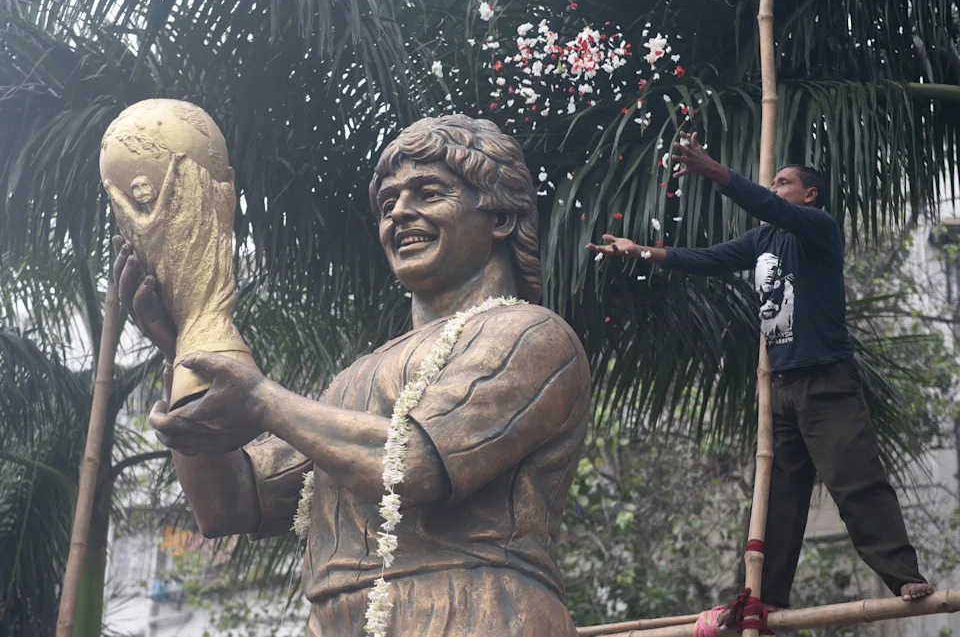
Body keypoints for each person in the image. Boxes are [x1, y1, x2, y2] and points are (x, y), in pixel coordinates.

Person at [114, 115, 591, 636]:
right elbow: (230, 503)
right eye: (388, 204)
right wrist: (186, 347)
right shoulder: (352, 380)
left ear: (499, 216)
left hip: (476, 612)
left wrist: (261, 400)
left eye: (429, 193)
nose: (399, 213)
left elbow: (412, 465)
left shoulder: (530, 334)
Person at [587, 131, 934, 609]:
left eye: (784, 182)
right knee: (779, 499)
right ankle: (767, 597)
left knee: (855, 481)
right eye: (773, 181)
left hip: (826, 381)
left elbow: (769, 206)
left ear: (809, 195)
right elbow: (708, 259)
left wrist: (714, 171)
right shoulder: (762, 239)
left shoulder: (818, 227)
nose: (774, 187)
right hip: (782, 387)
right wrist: (640, 251)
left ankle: (903, 575)